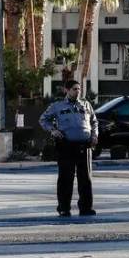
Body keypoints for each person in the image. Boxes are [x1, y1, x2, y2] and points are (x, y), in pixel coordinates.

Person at [39, 80, 98, 217]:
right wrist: (52, 130)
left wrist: (95, 135)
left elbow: (94, 121)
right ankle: (64, 208)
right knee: (66, 178)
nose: (77, 91)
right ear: (67, 90)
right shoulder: (57, 106)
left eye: (79, 89)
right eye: (74, 89)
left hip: (85, 145)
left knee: (86, 179)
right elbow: (43, 119)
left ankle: (86, 208)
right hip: (66, 145)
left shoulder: (86, 105)